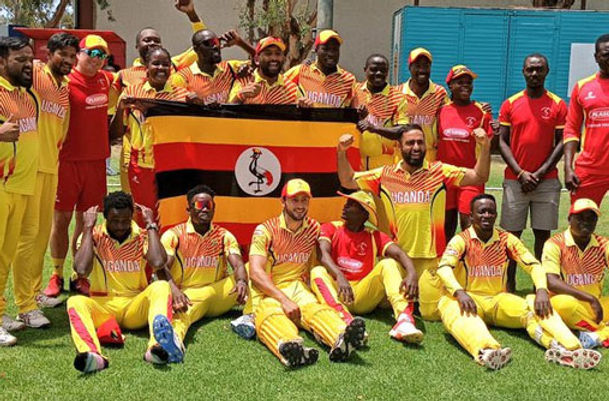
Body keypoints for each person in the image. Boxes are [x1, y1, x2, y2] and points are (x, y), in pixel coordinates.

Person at [337, 123, 491, 321]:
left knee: (430, 314)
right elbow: (348, 180)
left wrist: (485, 146)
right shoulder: (384, 175)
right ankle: (404, 316)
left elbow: (479, 176)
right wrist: (341, 151)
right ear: (399, 147)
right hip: (398, 260)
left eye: (420, 142)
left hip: (431, 260)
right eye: (410, 143)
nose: (416, 147)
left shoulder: (440, 172)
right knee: (385, 303)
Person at [435, 194, 601, 370]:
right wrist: (459, 292)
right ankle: (487, 351)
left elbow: (534, 265)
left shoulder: (506, 239)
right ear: (471, 216)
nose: (487, 216)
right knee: (453, 308)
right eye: (482, 212)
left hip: (498, 299)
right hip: (469, 298)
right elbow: (444, 268)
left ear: (496, 215)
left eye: (491, 212)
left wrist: (542, 290)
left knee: (533, 309)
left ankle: (566, 349)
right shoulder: (461, 240)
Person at [248, 179, 366, 367]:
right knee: (271, 315)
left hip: (298, 287)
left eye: (305, 200)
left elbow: (329, 248)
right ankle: (290, 346)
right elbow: (255, 272)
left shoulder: (313, 228)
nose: (300, 205)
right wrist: (283, 300)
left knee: (315, 310)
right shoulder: (265, 230)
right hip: (268, 291)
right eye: (295, 200)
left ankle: (342, 337)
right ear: (283, 201)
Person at [66, 192, 182, 373]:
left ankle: (156, 347)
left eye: (125, 221)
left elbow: (158, 262)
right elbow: (81, 269)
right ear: (105, 217)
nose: (120, 226)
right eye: (115, 221)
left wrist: (151, 225)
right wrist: (87, 227)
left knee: (161, 286)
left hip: (134, 307)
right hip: (103, 307)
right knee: (74, 301)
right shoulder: (93, 235)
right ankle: (93, 355)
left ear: (132, 217)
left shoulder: (142, 235)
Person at [9, 33, 79, 330]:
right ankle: (24, 304)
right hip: (27, 169)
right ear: (48, 53)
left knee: (38, 237)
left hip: (50, 167)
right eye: (63, 54)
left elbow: (61, 131)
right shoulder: (35, 74)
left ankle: (34, 292)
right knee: (24, 238)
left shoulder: (65, 88)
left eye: (72, 56)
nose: (68, 60)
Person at [46, 35, 119, 298]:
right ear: (79, 54)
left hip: (97, 162)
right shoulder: (63, 81)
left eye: (102, 55)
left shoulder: (107, 80)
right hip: (67, 162)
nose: (97, 59)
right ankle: (56, 274)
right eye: (92, 53)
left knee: (86, 221)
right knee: (61, 219)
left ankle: (80, 275)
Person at [115, 0, 205, 195]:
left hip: (167, 157)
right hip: (134, 156)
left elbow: (200, 46)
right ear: (137, 45)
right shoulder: (123, 76)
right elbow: (116, 120)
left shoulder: (171, 67)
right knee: (135, 205)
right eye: (147, 40)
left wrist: (192, 14)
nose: (152, 43)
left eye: (156, 40)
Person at [310, 190, 422, 344]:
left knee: (388, 264)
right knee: (317, 271)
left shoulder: (374, 236)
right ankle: (345, 320)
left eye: (352, 204)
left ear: (364, 214)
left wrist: (412, 274)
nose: (345, 206)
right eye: (347, 202)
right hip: (338, 290)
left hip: (363, 295)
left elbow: (399, 254)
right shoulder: (331, 227)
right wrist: (339, 276)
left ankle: (404, 320)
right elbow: (322, 254)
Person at [498, 54, 566, 293]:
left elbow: (562, 142)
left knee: (543, 235)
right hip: (515, 180)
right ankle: (509, 283)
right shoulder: (510, 103)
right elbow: (502, 141)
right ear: (523, 72)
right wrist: (520, 173)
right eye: (530, 70)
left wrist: (539, 172)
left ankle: (543, 284)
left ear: (547, 72)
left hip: (546, 181)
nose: (534, 74)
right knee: (511, 236)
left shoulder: (558, 104)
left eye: (539, 69)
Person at [159, 185, 248, 348]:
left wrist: (242, 281)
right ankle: (174, 340)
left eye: (209, 205)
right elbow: (162, 268)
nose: (205, 209)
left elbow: (238, 264)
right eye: (200, 205)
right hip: (187, 295)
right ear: (189, 209)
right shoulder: (174, 235)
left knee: (252, 269)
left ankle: (251, 318)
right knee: (183, 313)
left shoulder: (224, 235)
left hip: (219, 294)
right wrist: (174, 290)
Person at [110, 47, 190, 227]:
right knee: (144, 217)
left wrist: (198, 106)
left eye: (166, 64)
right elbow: (115, 134)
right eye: (156, 63)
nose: (161, 68)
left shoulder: (182, 96)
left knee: (171, 218)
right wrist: (120, 109)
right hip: (141, 167)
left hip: (172, 167)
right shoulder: (132, 92)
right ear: (146, 68)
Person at [0, 36, 38, 346]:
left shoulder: (26, 95)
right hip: (2, 185)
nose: (28, 65)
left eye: (30, 59)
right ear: (2, 62)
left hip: (22, 186)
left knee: (5, 256)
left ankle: (0, 312)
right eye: (20, 60)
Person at [543, 198, 609, 349]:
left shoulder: (602, 244)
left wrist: (593, 301)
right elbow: (551, 281)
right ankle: (601, 331)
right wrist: (589, 298)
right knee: (566, 305)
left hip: (595, 307)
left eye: (591, 218)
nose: (586, 222)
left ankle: (594, 336)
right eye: (580, 218)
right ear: (569, 219)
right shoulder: (555, 243)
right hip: (566, 304)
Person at [436, 65, 492, 240]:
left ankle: (471, 257)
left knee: (469, 225)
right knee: (446, 225)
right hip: (445, 177)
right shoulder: (441, 111)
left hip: (471, 176)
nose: (465, 86)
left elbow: (490, 144)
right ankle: (446, 257)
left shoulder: (481, 112)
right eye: (460, 82)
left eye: (469, 82)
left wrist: (494, 132)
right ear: (450, 85)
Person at [564, 33, 609, 206]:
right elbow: (571, 129)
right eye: (606, 55)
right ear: (596, 57)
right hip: (590, 169)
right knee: (581, 217)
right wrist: (568, 167)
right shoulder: (582, 87)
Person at [171, 29, 254, 104]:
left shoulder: (229, 68)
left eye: (216, 42)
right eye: (208, 43)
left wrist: (240, 42)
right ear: (196, 49)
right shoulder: (183, 78)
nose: (215, 46)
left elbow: (259, 62)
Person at [353, 54, 405, 170]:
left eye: (383, 70)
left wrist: (374, 128)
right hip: (356, 161)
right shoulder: (355, 91)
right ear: (365, 70)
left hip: (384, 164)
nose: (378, 73)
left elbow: (401, 131)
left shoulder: (397, 97)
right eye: (374, 69)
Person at [396, 48, 447, 162]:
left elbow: (453, 112)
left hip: (429, 156)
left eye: (426, 66)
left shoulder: (440, 93)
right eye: (418, 66)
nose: (422, 70)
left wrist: (479, 106)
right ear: (410, 67)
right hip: (402, 155)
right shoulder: (397, 93)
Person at [284, 29, 356, 108]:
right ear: (316, 50)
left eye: (335, 49)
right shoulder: (301, 71)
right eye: (325, 49)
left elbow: (354, 109)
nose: (331, 54)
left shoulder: (348, 80)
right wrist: (296, 104)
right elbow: (279, 89)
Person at [228, 37, 303, 105]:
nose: (274, 58)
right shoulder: (243, 82)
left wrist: (305, 105)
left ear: (283, 58)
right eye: (268, 54)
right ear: (257, 59)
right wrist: (240, 96)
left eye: (278, 54)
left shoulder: (292, 90)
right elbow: (227, 111)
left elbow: (302, 111)